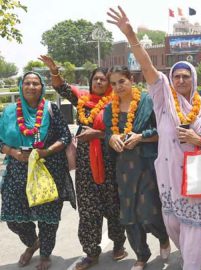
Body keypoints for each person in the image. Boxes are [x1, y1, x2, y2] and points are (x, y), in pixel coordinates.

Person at [107, 7, 201, 269]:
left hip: (197, 176)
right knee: (174, 224)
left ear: (194, 79)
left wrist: (198, 140)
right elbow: (147, 66)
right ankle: (190, 254)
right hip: (167, 174)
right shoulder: (163, 99)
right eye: (176, 76)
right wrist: (131, 35)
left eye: (185, 76)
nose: (179, 80)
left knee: (194, 228)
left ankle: (192, 263)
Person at [39, 55, 127, 270]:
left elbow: (124, 130)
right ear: (91, 82)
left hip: (111, 161)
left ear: (109, 83)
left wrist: (97, 133)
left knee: (114, 206)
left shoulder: (117, 102)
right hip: (86, 164)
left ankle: (118, 245)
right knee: (88, 209)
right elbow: (62, 87)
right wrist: (53, 70)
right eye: (95, 79)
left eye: (103, 79)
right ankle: (91, 252)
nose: (99, 82)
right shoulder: (82, 99)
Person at [0, 72, 76, 270]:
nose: (31, 87)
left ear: (42, 87)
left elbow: (66, 136)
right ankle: (33, 243)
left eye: (36, 83)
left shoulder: (51, 109)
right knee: (12, 218)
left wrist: (46, 151)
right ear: (20, 86)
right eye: (27, 83)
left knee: (47, 216)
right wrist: (13, 152)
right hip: (17, 171)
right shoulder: (9, 112)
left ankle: (45, 254)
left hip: (48, 170)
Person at [102, 65, 170, 270]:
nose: (117, 87)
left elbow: (164, 131)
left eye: (121, 81)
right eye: (113, 83)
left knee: (149, 212)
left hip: (146, 165)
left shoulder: (148, 102)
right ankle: (141, 255)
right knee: (129, 215)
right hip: (123, 169)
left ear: (131, 79)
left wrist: (141, 137)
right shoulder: (109, 108)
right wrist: (111, 137)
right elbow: (106, 133)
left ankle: (163, 236)